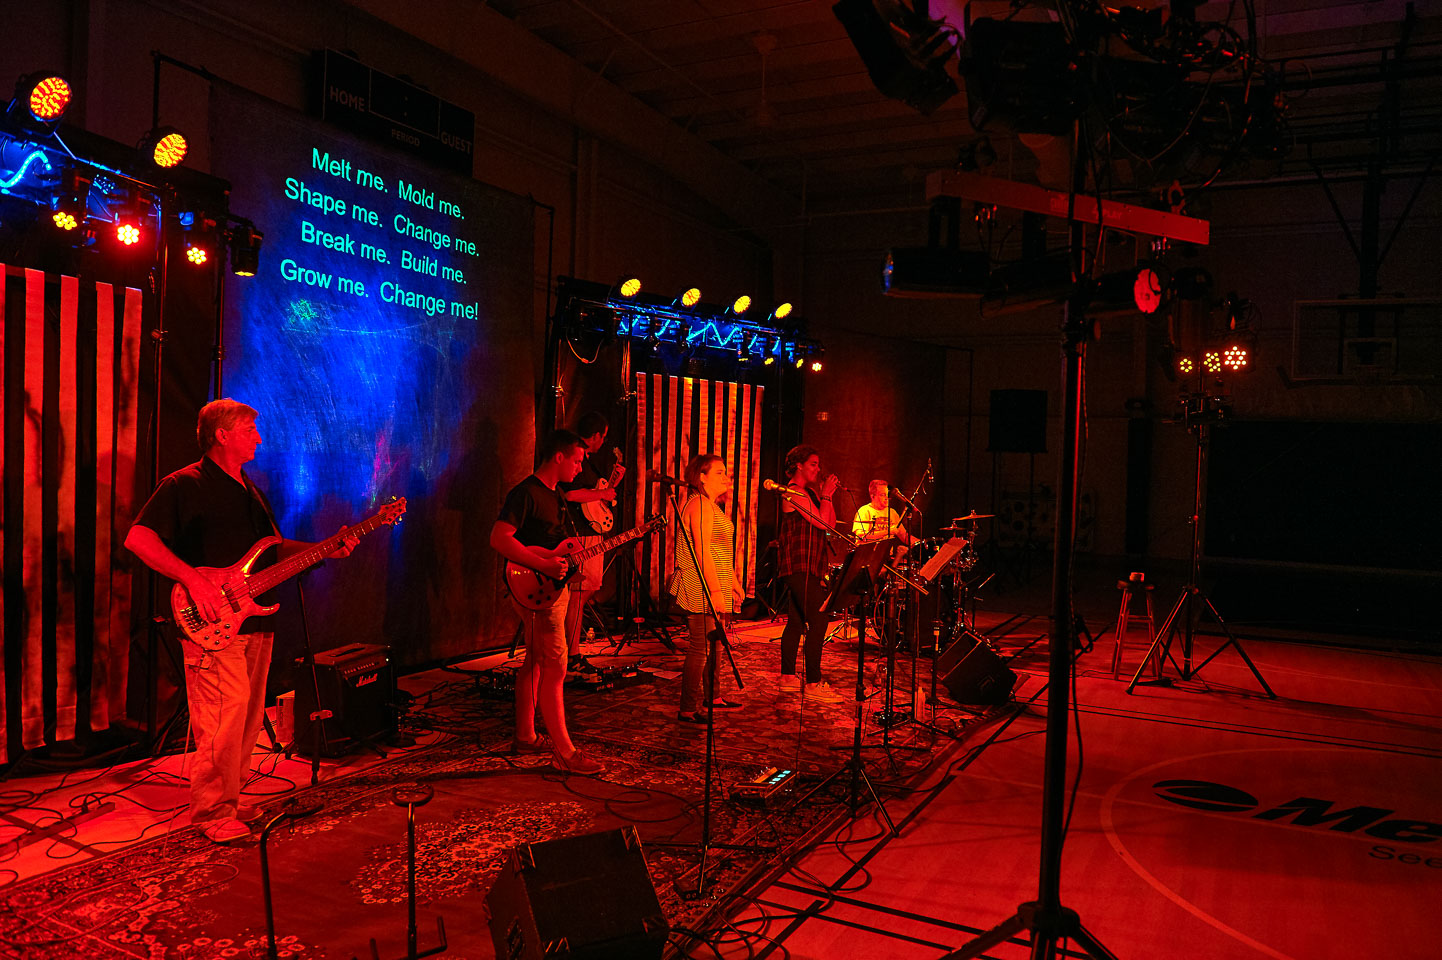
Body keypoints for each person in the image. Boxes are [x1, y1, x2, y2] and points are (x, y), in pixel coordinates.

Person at [125, 399, 358, 844]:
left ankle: (228, 799)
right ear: (222, 434)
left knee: (247, 719)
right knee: (222, 717)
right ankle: (212, 812)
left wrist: (324, 548)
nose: (259, 438)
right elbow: (139, 538)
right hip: (211, 622)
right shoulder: (184, 483)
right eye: (250, 430)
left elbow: (271, 551)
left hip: (252, 620)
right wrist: (194, 580)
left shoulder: (250, 490)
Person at [491, 429, 604, 775]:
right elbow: (499, 538)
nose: (580, 468)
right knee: (557, 667)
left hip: (553, 589)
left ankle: (526, 735)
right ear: (559, 457)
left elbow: (553, 543)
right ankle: (566, 752)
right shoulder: (525, 493)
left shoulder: (556, 496)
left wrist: (568, 560)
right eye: (577, 461)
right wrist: (542, 565)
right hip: (537, 593)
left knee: (536, 662)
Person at [669, 454, 746, 723]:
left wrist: (733, 583)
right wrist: (714, 592)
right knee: (700, 647)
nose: (726, 477)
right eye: (719, 472)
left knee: (716, 645)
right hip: (701, 585)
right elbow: (702, 552)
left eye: (726, 472)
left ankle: (713, 696)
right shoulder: (699, 505)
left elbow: (719, 550)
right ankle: (687, 709)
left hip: (716, 584)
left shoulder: (712, 507)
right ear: (701, 477)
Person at [776, 445, 846, 703]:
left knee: (796, 622)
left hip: (811, 566)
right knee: (819, 619)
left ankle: (787, 678)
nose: (818, 469)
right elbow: (821, 522)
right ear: (799, 465)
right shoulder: (793, 491)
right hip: (798, 564)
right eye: (813, 464)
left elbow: (829, 525)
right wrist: (825, 494)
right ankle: (813, 683)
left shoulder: (811, 494)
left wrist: (827, 497)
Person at [559, 411, 623, 677]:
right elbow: (571, 494)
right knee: (579, 592)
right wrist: (602, 492)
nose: (603, 442)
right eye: (603, 437)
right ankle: (572, 653)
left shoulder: (587, 461)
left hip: (591, 530)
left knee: (587, 589)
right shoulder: (578, 459)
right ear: (595, 436)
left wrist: (606, 491)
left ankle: (571, 650)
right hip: (581, 534)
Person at [852, 479, 914, 557]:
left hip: (885, 557)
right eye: (882, 495)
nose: (886, 498)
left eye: (887, 494)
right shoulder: (864, 511)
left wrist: (920, 543)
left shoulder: (892, 512)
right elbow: (861, 535)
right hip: (865, 556)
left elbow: (904, 536)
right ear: (873, 496)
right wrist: (887, 532)